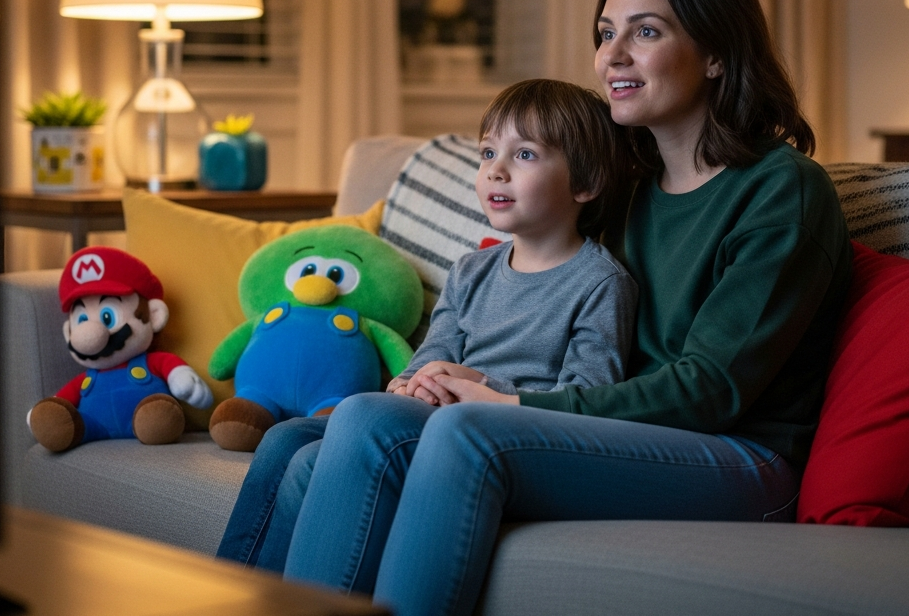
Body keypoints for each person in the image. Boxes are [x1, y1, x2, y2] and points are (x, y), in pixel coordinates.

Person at [223, 0, 853, 616]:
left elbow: (711, 390)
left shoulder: (782, 191)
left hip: (742, 458)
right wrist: (435, 377)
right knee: (328, 435)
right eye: (604, 31)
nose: (612, 54)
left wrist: (509, 400)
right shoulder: (629, 187)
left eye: (645, 32)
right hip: (622, 431)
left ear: (715, 54)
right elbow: (521, 274)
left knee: (467, 435)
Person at [216, 78, 639, 568]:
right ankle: (235, 592)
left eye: (524, 155)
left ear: (585, 183)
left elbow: (588, 395)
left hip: (491, 432)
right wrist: (410, 381)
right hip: (429, 410)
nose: (496, 172)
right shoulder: (471, 270)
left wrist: (476, 382)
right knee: (286, 437)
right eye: (487, 154)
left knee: (316, 460)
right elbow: (435, 350)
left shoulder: (601, 283)